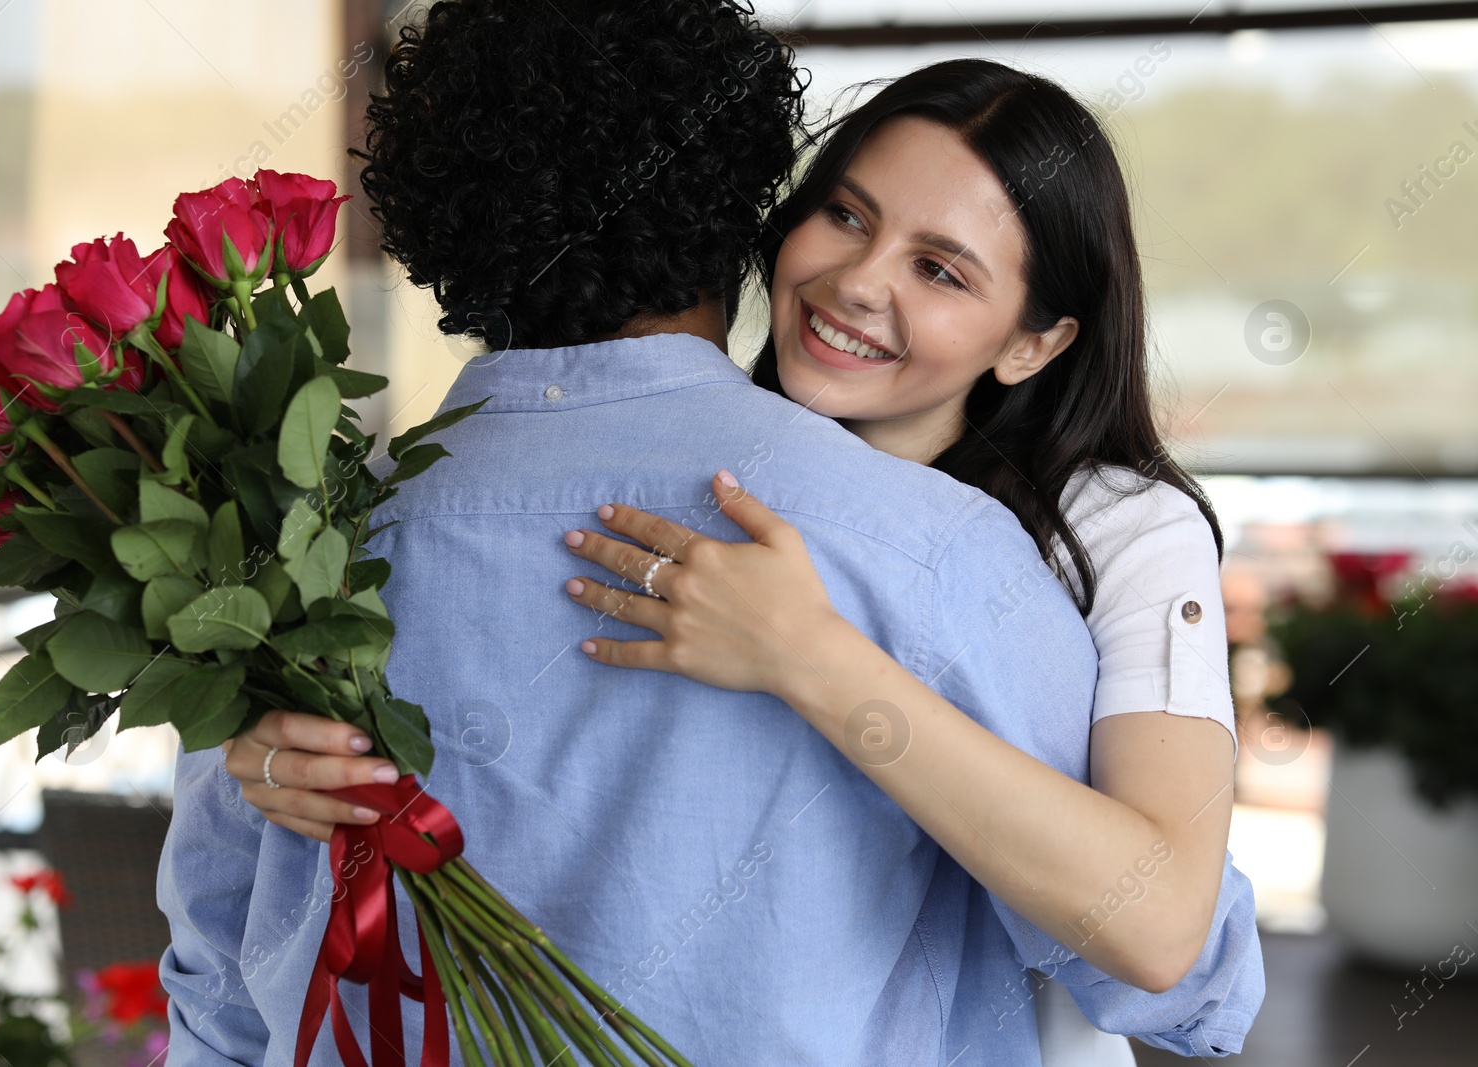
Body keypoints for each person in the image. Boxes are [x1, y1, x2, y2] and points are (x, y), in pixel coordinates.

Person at [182, 6, 1261, 1065]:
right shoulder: (936, 555)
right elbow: (1187, 971)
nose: (855, 282)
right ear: (749, 207)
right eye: (843, 215)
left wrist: (818, 659)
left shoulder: (293, 563)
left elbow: (220, 981)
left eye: (940, 268)